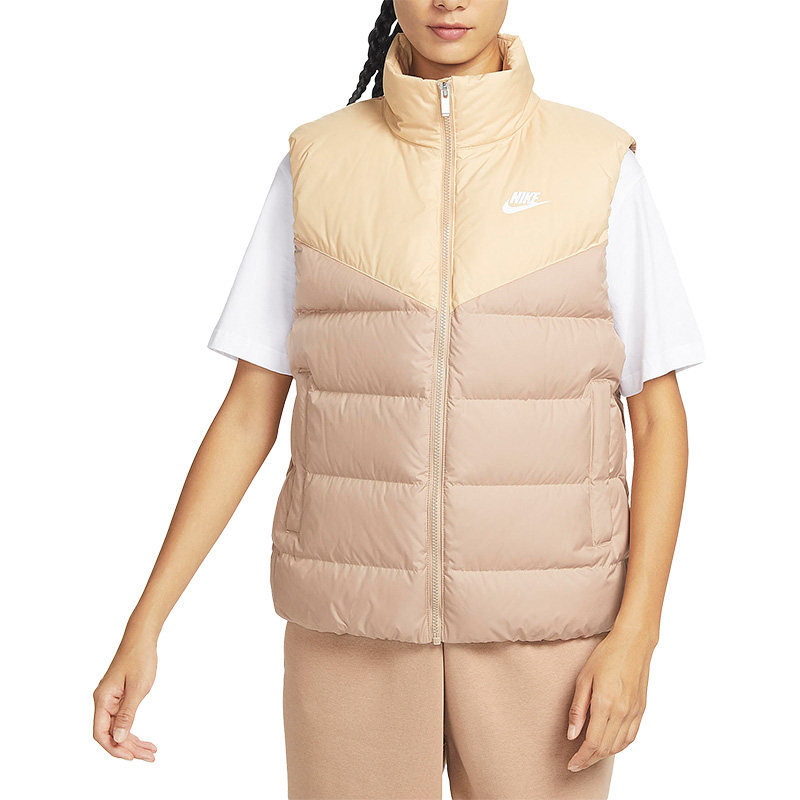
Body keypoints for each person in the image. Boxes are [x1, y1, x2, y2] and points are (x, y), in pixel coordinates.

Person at [93, 1, 705, 797]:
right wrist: (145, 625)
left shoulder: (596, 163)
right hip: (350, 632)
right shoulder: (319, 163)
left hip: (549, 640)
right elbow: (247, 414)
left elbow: (657, 420)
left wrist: (637, 636)